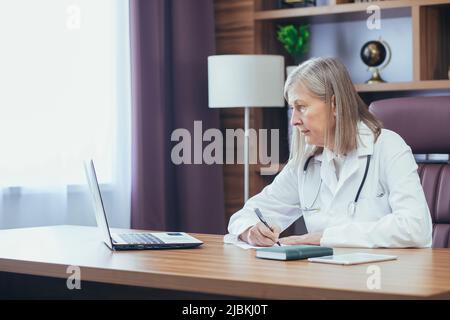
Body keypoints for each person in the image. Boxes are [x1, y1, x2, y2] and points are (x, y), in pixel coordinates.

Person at [228, 57, 432, 248]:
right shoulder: (306, 161)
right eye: (292, 109)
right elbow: (246, 214)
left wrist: (324, 238)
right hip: (326, 276)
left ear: (334, 104)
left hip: (385, 278)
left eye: (302, 107)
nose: (294, 120)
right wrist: (250, 230)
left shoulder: (388, 147)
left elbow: (415, 227)